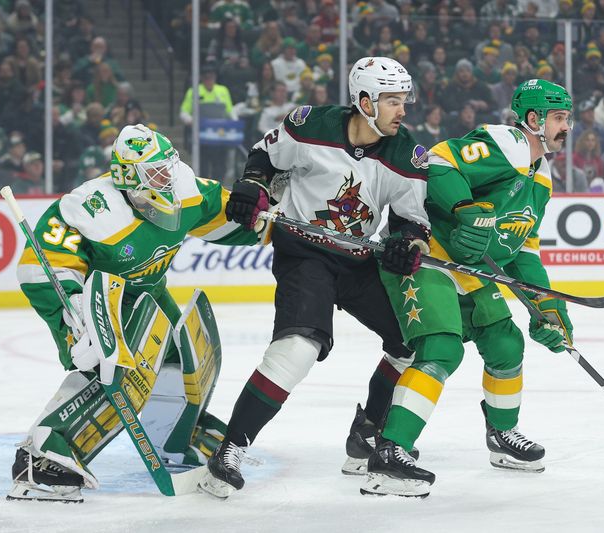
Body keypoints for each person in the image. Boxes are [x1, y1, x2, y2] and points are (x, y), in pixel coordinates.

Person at [200, 57, 430, 498]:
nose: (403, 111)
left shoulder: (407, 155)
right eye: (392, 101)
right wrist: (253, 184)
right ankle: (230, 448)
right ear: (364, 102)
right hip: (305, 254)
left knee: (411, 342)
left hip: (360, 259)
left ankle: (367, 437)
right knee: (297, 350)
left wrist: (407, 244)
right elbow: (264, 157)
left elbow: (410, 222)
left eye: (404, 101)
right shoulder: (310, 126)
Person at [8, 124, 259, 503]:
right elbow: (38, 268)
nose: (168, 177)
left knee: (184, 351)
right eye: (156, 171)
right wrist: (73, 318)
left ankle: (174, 434)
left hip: (150, 294)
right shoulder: (90, 206)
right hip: (98, 305)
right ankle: (41, 457)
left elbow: (224, 214)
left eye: (168, 166)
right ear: (128, 176)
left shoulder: (184, 187)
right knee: (110, 368)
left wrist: (259, 215)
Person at [360, 79, 575, 497]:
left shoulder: (542, 178)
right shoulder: (506, 142)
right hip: (426, 253)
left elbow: (521, 248)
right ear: (534, 119)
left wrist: (545, 307)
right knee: (442, 348)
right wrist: (463, 208)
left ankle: (502, 436)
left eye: (567, 117)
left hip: (469, 269)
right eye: (559, 118)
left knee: (507, 344)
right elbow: (439, 161)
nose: (566, 126)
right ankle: (389, 452)